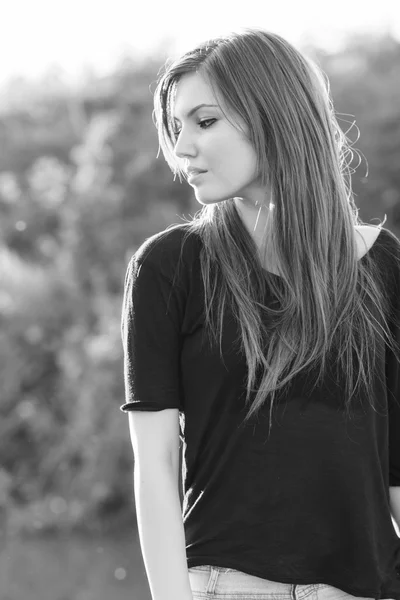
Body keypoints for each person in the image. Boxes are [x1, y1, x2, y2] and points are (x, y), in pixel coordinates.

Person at [120, 27, 400, 600]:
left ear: (274, 113)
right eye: (176, 129)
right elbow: (155, 465)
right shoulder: (170, 267)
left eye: (205, 121)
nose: (182, 150)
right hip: (224, 586)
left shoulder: (388, 267)